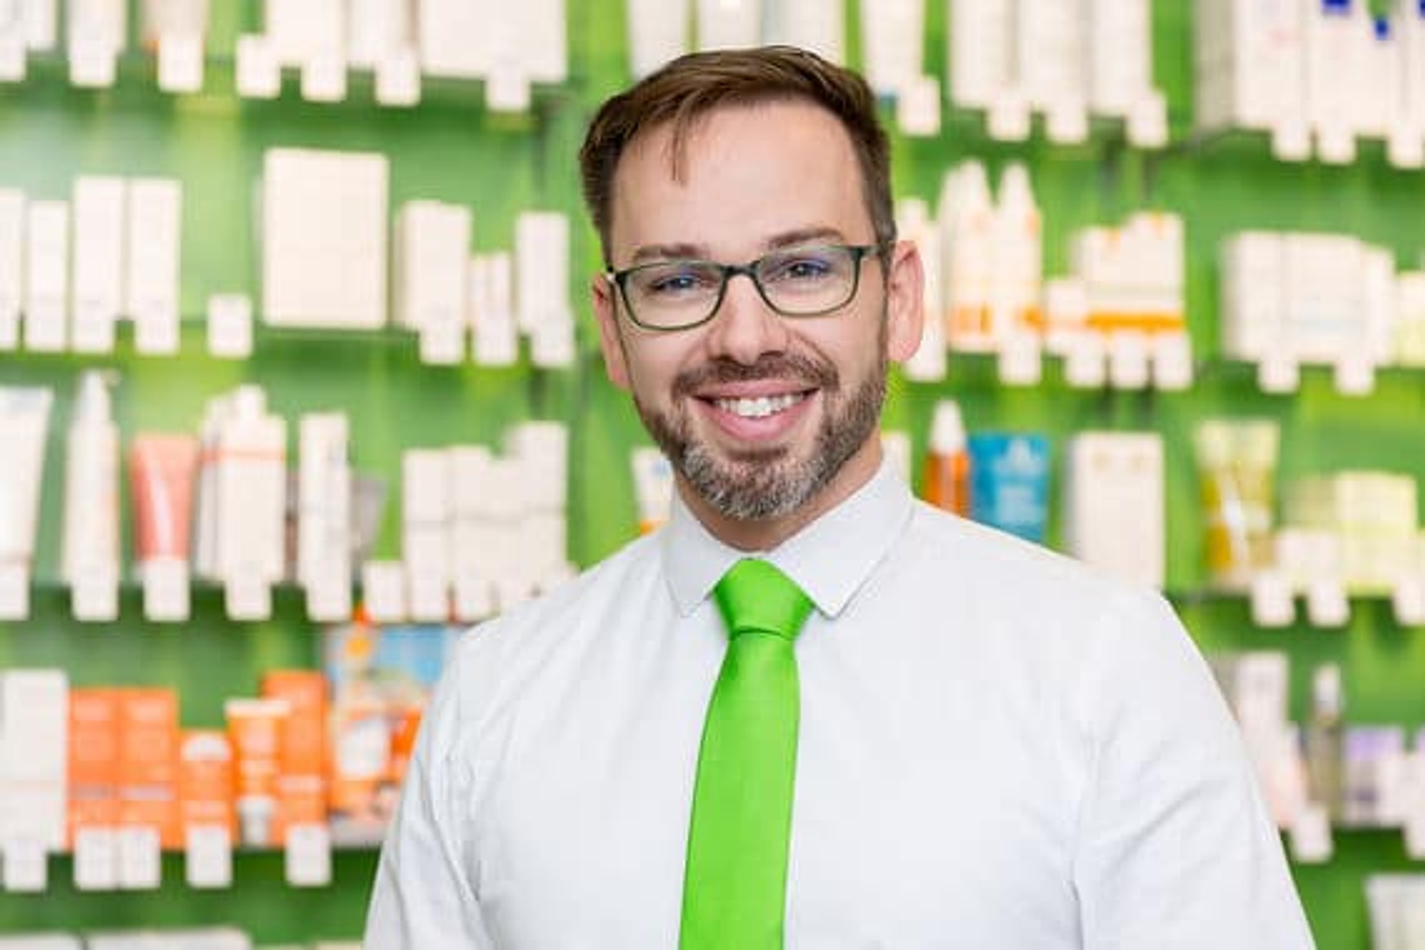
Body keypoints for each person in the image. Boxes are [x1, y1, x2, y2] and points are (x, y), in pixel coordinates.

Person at [364, 46, 1314, 949]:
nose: (743, 337)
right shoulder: (495, 698)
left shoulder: (1105, 672)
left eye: (803, 269)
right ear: (613, 332)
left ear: (898, 300)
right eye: (678, 280)